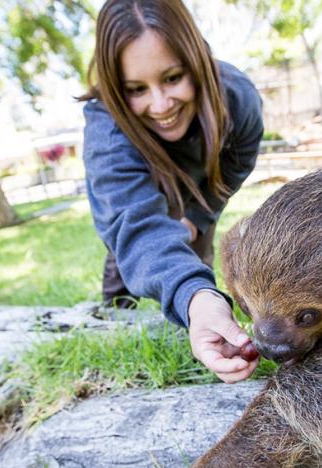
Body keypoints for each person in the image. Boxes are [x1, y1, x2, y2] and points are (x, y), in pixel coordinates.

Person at [80, 0, 264, 383]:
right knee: (129, 258)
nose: (161, 105)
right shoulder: (106, 130)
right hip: (138, 195)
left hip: (199, 186)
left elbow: (237, 164)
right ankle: (115, 321)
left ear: (196, 62)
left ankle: (198, 320)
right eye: (136, 89)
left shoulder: (238, 98)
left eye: (173, 78)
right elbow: (135, 226)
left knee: (195, 262)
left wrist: (198, 220)